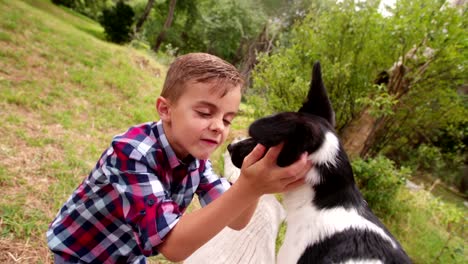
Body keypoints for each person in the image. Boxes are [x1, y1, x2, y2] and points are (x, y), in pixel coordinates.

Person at [47, 53, 312, 263]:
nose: (219, 126)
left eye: (227, 119)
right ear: (165, 109)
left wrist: (251, 180)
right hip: (82, 253)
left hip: (128, 255)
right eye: (205, 112)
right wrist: (250, 186)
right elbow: (174, 247)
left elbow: (238, 220)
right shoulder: (132, 152)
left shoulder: (196, 161)